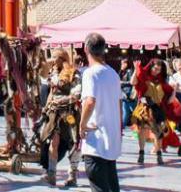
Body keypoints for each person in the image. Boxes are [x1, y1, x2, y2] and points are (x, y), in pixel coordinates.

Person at [79, 33, 122, 192]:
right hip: (111, 141)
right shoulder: (113, 74)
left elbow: (90, 101)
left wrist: (82, 125)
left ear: (86, 48)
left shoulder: (90, 73)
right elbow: (118, 104)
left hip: (96, 141)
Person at [41, 48, 81, 187]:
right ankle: (51, 174)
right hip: (54, 114)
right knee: (53, 142)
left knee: (73, 143)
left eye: (55, 57)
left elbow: (77, 93)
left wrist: (63, 100)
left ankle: (72, 175)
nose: (53, 59)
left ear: (62, 59)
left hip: (69, 113)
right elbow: (43, 76)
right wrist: (46, 108)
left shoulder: (73, 73)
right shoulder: (52, 72)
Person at [132, 57, 180, 165]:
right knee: (142, 131)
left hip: (158, 109)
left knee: (159, 133)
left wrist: (175, 90)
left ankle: (159, 154)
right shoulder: (144, 77)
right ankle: (141, 153)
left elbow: (169, 100)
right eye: (155, 68)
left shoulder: (162, 82)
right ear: (151, 67)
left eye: (158, 69)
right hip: (145, 108)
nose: (156, 71)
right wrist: (136, 69)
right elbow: (133, 82)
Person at [119, 58, 136, 128]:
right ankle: (121, 129)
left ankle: (138, 128)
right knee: (125, 113)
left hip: (129, 94)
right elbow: (117, 79)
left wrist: (122, 83)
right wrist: (121, 70)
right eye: (121, 63)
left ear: (126, 63)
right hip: (124, 95)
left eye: (123, 63)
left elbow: (132, 82)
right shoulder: (123, 71)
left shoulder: (130, 71)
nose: (122, 65)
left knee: (134, 113)